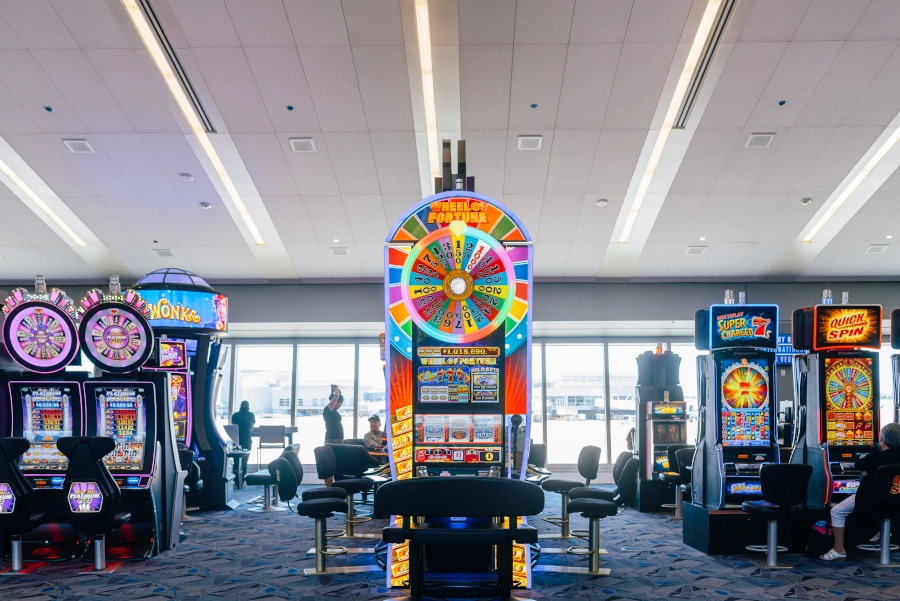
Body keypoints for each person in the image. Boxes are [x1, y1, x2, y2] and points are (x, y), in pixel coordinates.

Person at [820, 423, 900, 561]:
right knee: (887, 509)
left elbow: (858, 465)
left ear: (882, 440)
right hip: (896, 501)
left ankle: (839, 549)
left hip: (873, 502)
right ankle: (883, 532)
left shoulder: (875, 456)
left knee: (836, 511)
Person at [231, 401, 255, 477]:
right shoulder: (251, 415)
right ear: (248, 408)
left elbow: (233, 427)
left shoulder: (235, 415)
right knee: (244, 459)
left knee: (236, 460)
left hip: (236, 440)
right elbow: (252, 428)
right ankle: (242, 477)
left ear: (240, 407)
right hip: (247, 440)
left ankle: (236, 477)